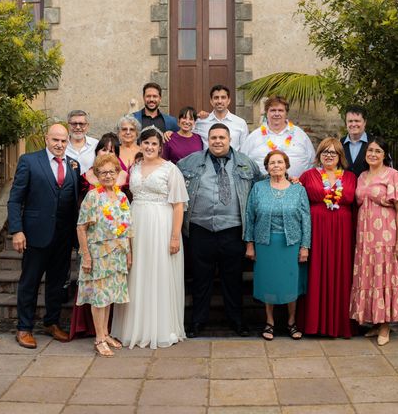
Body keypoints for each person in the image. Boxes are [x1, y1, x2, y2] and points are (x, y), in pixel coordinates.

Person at [178, 123, 263, 338]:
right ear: (208, 139)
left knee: (232, 279)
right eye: (213, 137)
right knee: (200, 279)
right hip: (200, 229)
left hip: (233, 230)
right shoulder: (189, 162)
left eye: (221, 138)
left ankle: (237, 322)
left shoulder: (246, 163)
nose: (217, 141)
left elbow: (260, 190)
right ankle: (197, 322)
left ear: (229, 139)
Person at [111, 126, 189, 349]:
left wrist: (175, 237)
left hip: (162, 225)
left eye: (154, 143)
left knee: (159, 273)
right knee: (136, 273)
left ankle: (161, 328)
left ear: (160, 147)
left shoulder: (170, 170)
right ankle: (132, 328)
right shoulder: (134, 168)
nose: (149, 147)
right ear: (140, 145)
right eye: (145, 143)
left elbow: (178, 206)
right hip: (137, 224)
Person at [7, 124, 80, 349]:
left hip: (64, 236)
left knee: (57, 283)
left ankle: (52, 322)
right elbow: (15, 199)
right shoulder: (29, 161)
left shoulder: (73, 165)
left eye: (63, 141)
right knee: (30, 281)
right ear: (46, 139)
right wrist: (17, 230)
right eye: (55, 140)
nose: (59, 145)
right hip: (36, 234)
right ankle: (24, 328)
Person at [349, 137, 398, 346]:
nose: (373, 154)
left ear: (385, 154)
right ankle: (375, 322)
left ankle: (386, 326)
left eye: (377, 151)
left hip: (386, 235)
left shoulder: (393, 176)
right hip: (365, 238)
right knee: (370, 277)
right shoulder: (361, 176)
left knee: (385, 277)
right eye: (370, 151)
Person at [244, 150, 310, 341]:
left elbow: (306, 219)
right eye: (272, 163)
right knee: (269, 283)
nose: (276, 166)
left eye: (280, 162)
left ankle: (291, 322)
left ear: (286, 165)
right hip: (265, 243)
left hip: (291, 244)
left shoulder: (298, 189)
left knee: (291, 283)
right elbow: (250, 216)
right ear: (266, 167)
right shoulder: (258, 188)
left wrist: (305, 246)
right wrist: (250, 244)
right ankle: (270, 322)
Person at [69, 132, 128, 341]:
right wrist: (85, 256)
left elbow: (126, 228)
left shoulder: (121, 197)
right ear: (97, 174)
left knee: (110, 296)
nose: (108, 176)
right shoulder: (92, 196)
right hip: (97, 255)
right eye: (103, 173)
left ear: (118, 172)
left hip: (117, 255)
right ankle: (99, 338)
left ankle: (106, 333)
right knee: (99, 298)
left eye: (112, 172)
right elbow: (81, 227)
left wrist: (128, 255)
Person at [298, 138, 356, 338]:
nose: (329, 155)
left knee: (340, 271)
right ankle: (314, 324)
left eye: (333, 152)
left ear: (340, 156)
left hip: (343, 232)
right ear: (319, 155)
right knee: (315, 272)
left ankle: (339, 324)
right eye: (325, 152)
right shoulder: (308, 176)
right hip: (316, 230)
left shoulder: (350, 178)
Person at [241, 96, 315, 178]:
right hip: (262, 188)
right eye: (273, 110)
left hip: (296, 187)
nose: (277, 114)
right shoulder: (254, 137)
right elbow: (242, 162)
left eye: (280, 110)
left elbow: (312, 161)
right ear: (266, 113)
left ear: (286, 113)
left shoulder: (301, 135)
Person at [194, 85, 249, 150]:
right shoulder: (200, 122)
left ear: (228, 100)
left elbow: (245, 150)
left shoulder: (240, 123)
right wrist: (195, 116)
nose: (219, 101)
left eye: (223, 97)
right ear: (211, 101)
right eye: (216, 98)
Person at [342, 105, 369, 178]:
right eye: (350, 121)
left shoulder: (374, 143)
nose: (353, 124)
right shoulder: (339, 144)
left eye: (357, 121)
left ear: (365, 122)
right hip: (343, 188)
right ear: (346, 123)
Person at [116, 115, 141, 180]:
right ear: (119, 132)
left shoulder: (144, 152)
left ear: (137, 133)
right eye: (124, 129)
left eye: (132, 129)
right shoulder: (113, 151)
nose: (128, 132)